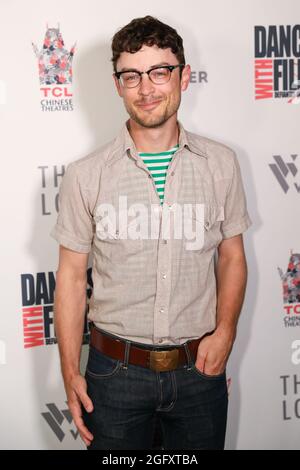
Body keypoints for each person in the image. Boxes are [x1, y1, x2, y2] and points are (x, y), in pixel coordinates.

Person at [51, 15, 252, 450]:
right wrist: (70, 371)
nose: (146, 89)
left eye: (160, 71)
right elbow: (69, 276)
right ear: (117, 84)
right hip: (112, 375)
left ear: (184, 76)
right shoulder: (86, 176)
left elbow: (232, 256)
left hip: (199, 369)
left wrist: (226, 333)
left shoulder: (221, 163)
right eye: (131, 75)